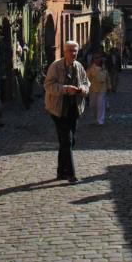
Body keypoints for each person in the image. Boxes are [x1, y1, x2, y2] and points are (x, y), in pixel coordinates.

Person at [44, 40, 90, 183]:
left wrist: (83, 89)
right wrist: (65, 89)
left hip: (73, 109)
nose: (73, 53)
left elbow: (86, 82)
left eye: (75, 50)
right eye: (70, 50)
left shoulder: (79, 66)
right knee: (67, 140)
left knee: (68, 142)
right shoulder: (56, 66)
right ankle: (71, 174)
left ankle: (61, 172)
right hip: (58, 109)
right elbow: (48, 85)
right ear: (65, 52)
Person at [87, 54, 110, 124]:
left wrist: (109, 86)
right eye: (96, 58)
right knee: (93, 105)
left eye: (98, 58)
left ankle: (100, 120)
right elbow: (86, 78)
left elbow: (107, 78)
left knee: (101, 104)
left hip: (102, 89)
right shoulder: (90, 68)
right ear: (93, 60)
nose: (97, 59)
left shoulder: (104, 68)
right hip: (93, 89)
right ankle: (95, 117)